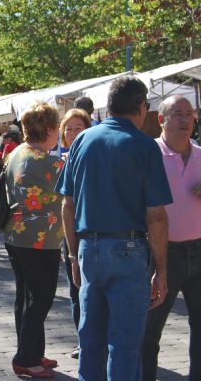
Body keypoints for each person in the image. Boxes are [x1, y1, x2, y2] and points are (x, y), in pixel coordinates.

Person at [56, 76, 171, 381]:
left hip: (88, 248)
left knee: (90, 340)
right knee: (124, 345)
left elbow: (67, 205)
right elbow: (156, 216)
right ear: (141, 107)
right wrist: (162, 268)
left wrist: (72, 256)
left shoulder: (81, 140)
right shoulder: (144, 146)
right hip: (127, 250)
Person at [2, 102, 64, 379]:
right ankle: (26, 358)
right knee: (40, 299)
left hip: (17, 236)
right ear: (49, 129)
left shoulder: (16, 152)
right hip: (40, 240)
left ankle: (32, 352)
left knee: (25, 298)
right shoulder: (51, 163)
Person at [142, 95, 201, 381]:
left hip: (199, 251)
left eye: (189, 114)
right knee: (149, 330)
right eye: (178, 114)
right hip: (161, 254)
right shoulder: (148, 154)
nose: (185, 120)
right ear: (161, 120)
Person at [56, 108, 92, 359]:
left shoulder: (95, 158)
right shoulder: (59, 161)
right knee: (75, 291)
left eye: (78, 128)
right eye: (68, 128)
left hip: (92, 232)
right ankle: (84, 341)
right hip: (69, 235)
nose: (72, 133)